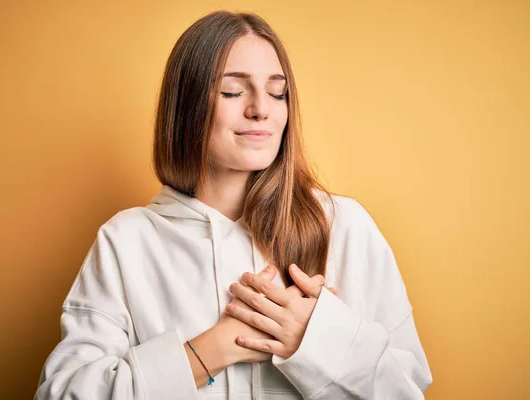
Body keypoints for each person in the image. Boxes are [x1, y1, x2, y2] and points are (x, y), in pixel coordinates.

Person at [35, 10, 433, 400]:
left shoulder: (344, 226)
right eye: (232, 91)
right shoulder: (126, 241)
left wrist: (317, 337)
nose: (261, 108)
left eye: (277, 93)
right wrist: (208, 351)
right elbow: (61, 394)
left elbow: (408, 392)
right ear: (188, 107)